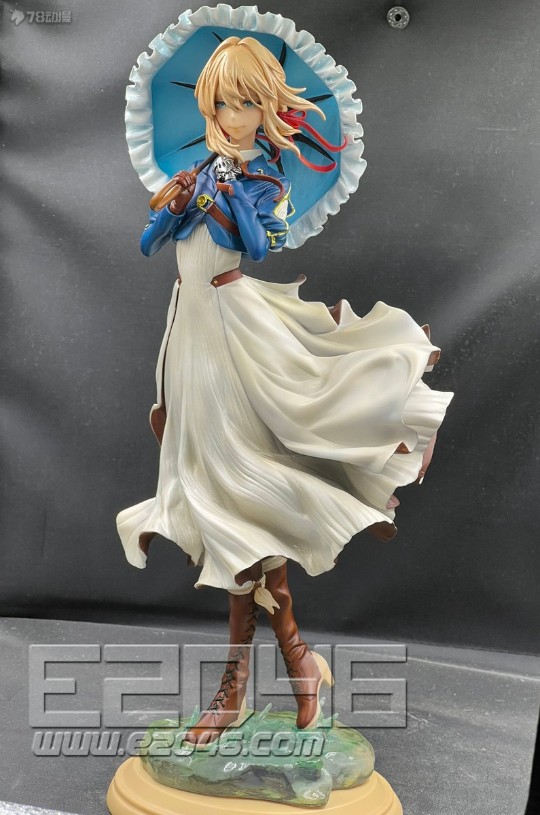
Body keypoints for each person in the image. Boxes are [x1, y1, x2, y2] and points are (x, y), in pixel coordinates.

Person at [116, 36, 453, 747]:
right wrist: (177, 201)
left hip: (236, 326)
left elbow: (258, 245)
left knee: (246, 494)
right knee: (224, 502)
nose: (233, 115)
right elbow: (149, 245)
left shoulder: (263, 176)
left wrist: (229, 193)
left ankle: (246, 682)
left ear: (266, 108)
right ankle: (295, 663)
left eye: (246, 103)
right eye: (223, 102)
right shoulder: (194, 172)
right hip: (189, 334)